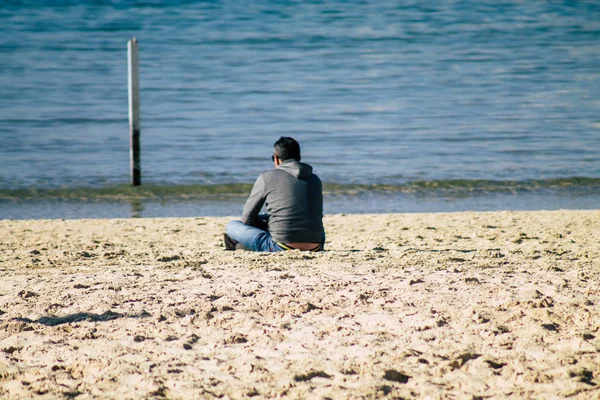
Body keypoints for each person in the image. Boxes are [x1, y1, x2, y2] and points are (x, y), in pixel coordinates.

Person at [225, 137, 325, 252]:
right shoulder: (315, 179)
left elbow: (247, 218)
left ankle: (244, 246)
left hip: (281, 246)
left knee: (232, 226)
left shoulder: (267, 177)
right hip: (316, 245)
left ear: (276, 159)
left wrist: (266, 226)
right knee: (269, 217)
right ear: (298, 158)